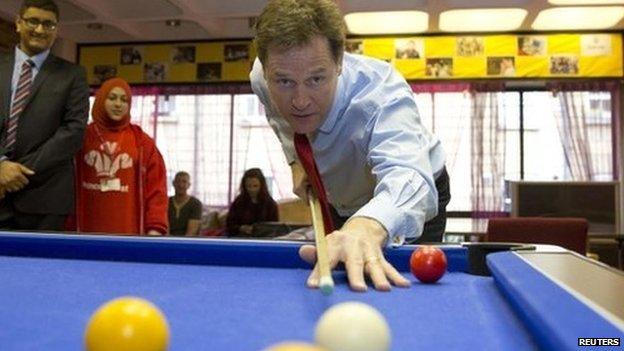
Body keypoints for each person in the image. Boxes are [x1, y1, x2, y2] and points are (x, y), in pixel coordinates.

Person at [250, 0, 449, 292]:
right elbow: (280, 119)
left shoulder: (382, 94)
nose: (300, 100)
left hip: (411, 194)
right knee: (351, 277)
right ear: (266, 70)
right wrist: (296, 162)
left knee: (399, 293)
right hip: (339, 194)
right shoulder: (261, 78)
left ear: (339, 62)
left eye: (316, 79)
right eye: (284, 82)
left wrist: (367, 224)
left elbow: (407, 176)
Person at [0, 0, 88, 231]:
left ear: (56, 30)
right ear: (18, 23)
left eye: (48, 24)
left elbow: (74, 132)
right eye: (33, 21)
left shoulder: (73, 75)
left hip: (45, 200)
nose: (40, 29)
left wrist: (14, 172)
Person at [71, 78, 168, 235]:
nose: (118, 104)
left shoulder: (142, 141)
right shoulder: (80, 136)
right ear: (101, 99)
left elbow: (157, 189)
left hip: (131, 234)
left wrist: (155, 227)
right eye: (112, 98)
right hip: (82, 231)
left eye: (124, 100)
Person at [226, 168, 278, 237]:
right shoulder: (238, 202)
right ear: (244, 186)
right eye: (248, 186)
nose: (252, 190)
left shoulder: (270, 204)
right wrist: (241, 228)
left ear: (262, 186)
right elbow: (229, 225)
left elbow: (275, 228)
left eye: (255, 186)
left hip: (263, 240)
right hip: (241, 239)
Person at [168, 171, 203, 236]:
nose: (180, 185)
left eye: (184, 182)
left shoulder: (196, 204)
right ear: (173, 183)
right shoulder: (166, 202)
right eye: (178, 181)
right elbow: (164, 229)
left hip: (188, 242)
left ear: (189, 185)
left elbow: (191, 233)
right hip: (168, 241)